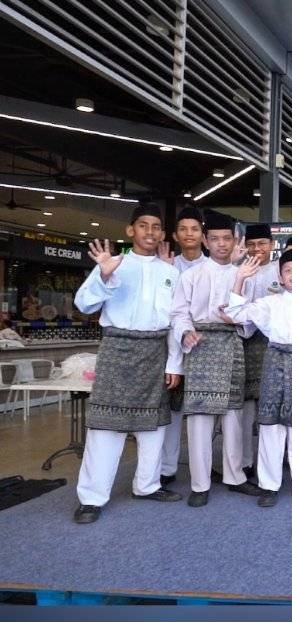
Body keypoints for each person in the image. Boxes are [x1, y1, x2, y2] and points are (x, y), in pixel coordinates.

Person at [71, 203, 183, 523]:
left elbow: (177, 320)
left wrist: (174, 364)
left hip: (156, 350)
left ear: (162, 234)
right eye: (144, 225)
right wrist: (104, 274)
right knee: (106, 425)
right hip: (117, 348)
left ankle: (147, 485)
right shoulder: (114, 264)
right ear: (130, 230)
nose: (150, 232)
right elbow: (83, 304)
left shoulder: (170, 273)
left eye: (156, 227)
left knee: (154, 425)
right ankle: (92, 498)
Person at [223, 249, 292, 506]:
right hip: (274, 366)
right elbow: (236, 313)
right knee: (270, 427)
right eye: (288, 270)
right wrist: (239, 279)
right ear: (280, 277)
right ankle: (269, 485)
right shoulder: (269, 303)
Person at [171, 212, 260, 507]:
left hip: (232, 345)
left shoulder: (244, 275)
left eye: (226, 238)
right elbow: (179, 313)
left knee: (233, 416)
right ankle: (200, 484)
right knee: (199, 418)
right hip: (201, 347)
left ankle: (235, 477)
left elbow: (251, 317)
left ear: (234, 241)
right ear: (206, 242)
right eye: (215, 239)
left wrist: (238, 320)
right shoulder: (190, 275)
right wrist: (186, 333)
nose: (221, 244)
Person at [160, 206, 207, 487]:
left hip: (206, 347)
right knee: (173, 409)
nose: (189, 234)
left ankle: (206, 470)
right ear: (175, 235)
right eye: (183, 229)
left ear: (203, 235)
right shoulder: (167, 266)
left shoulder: (213, 266)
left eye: (195, 229)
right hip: (171, 345)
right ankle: (167, 468)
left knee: (205, 410)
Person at [239, 223, 281, 480]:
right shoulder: (238, 270)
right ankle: (245, 461)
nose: (257, 249)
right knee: (245, 409)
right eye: (252, 244)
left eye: (262, 243)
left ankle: (271, 463)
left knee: (270, 406)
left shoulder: (281, 270)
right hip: (243, 344)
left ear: (272, 245)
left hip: (273, 346)